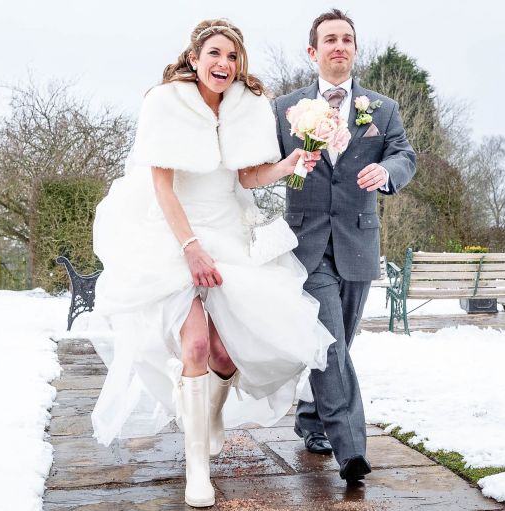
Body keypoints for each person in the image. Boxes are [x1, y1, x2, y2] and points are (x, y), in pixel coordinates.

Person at [90, 19, 335, 508]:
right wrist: (190, 247)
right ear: (195, 57)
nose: (223, 65)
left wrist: (289, 166)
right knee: (196, 345)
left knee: (226, 355)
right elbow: (161, 187)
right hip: (174, 233)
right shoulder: (164, 103)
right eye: (215, 54)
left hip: (230, 232)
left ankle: (208, 416)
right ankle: (197, 468)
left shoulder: (248, 106)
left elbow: (247, 177)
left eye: (232, 57)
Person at [273, 8, 416, 484]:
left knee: (338, 342)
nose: (339, 46)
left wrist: (389, 174)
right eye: (330, 39)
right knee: (331, 345)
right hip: (307, 243)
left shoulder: (383, 108)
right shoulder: (283, 109)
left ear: (355, 50)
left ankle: (313, 420)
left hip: (357, 240)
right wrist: (289, 166)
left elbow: (403, 154)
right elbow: (258, 164)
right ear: (313, 52)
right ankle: (350, 450)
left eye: (347, 39)